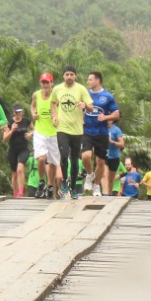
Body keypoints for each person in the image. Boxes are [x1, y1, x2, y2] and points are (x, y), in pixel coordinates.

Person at [51, 65, 93, 200]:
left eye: (71, 74)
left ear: (75, 76)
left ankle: (73, 187)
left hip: (77, 130)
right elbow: (53, 102)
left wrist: (85, 106)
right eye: (67, 74)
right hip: (62, 128)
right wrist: (54, 115)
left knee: (75, 160)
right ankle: (64, 181)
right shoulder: (57, 89)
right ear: (63, 76)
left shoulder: (81, 89)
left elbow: (91, 107)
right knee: (64, 156)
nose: (69, 77)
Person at [82, 71, 120, 197]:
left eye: (90, 79)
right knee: (86, 156)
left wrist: (106, 117)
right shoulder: (85, 94)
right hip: (87, 131)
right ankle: (89, 174)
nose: (88, 82)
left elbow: (116, 114)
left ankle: (97, 186)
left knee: (100, 162)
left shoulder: (107, 96)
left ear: (98, 81)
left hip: (102, 133)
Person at [30, 73, 61, 199]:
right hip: (40, 132)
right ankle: (42, 181)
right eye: (43, 82)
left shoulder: (56, 96)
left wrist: (56, 117)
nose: (45, 85)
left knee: (53, 163)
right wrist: (34, 113)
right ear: (40, 83)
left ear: (52, 83)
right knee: (41, 158)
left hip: (54, 133)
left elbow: (62, 110)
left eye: (47, 82)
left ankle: (50, 186)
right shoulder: (36, 95)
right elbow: (32, 106)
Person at [3, 103, 33, 198]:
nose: (18, 113)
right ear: (14, 112)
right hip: (12, 150)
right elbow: (5, 138)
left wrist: (30, 134)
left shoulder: (26, 121)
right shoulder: (10, 122)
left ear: (22, 112)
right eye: (16, 112)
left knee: (20, 168)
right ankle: (15, 193)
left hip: (24, 149)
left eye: (19, 112)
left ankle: (21, 192)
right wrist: (12, 130)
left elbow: (35, 129)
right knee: (14, 173)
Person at [106, 122, 125, 195]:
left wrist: (118, 176)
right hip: (105, 156)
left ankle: (109, 193)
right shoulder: (101, 129)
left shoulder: (116, 130)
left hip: (116, 187)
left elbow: (125, 172)